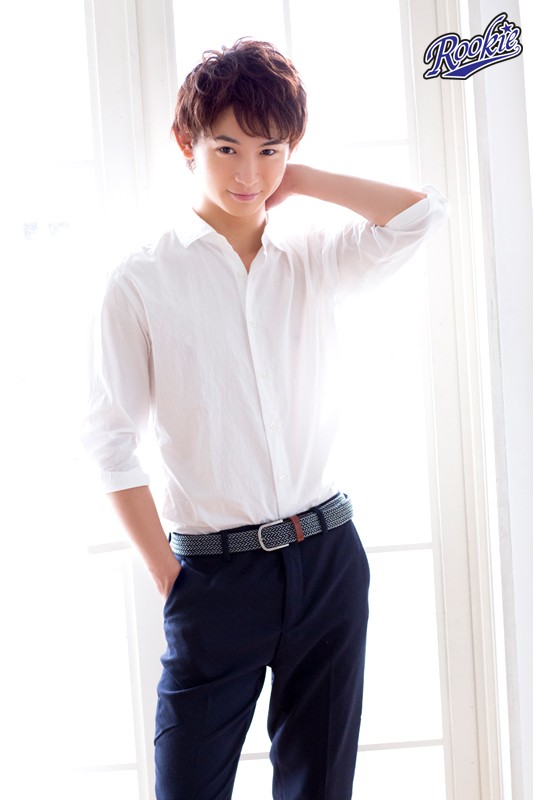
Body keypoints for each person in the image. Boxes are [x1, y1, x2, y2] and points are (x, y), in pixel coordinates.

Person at [82, 38, 448, 800]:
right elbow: (110, 441)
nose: (246, 173)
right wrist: (168, 577)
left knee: (319, 786)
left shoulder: (310, 258)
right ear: (185, 142)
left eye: (268, 149)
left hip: (328, 559)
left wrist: (298, 176)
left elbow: (418, 216)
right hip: (214, 579)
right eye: (225, 148)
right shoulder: (141, 280)